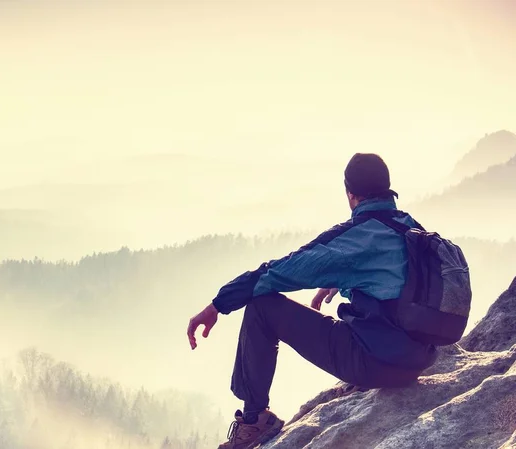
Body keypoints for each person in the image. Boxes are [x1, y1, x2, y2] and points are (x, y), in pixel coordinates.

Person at [187, 153, 438, 449]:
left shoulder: (354, 236)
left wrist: (218, 305)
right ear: (387, 189)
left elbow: (278, 271)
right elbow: (394, 279)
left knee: (262, 307)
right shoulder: (410, 226)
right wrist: (336, 281)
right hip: (420, 360)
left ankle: (255, 419)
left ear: (350, 194)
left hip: (374, 364)